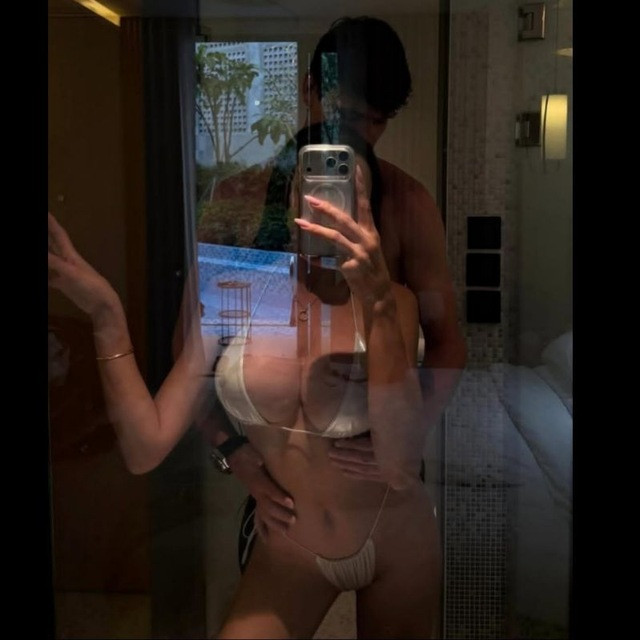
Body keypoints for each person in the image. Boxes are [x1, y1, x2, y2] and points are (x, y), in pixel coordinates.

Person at [48, 15, 466, 639]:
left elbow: (445, 345)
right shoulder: (240, 204)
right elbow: (190, 365)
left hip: (385, 500)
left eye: (374, 121)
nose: (354, 134)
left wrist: (403, 443)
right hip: (288, 514)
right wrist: (234, 451)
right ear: (308, 90)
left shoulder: (403, 206)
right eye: (344, 113)